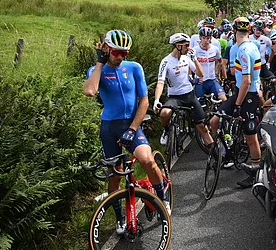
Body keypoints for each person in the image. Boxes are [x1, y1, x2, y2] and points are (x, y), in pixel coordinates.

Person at [83, 30, 170, 234]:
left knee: (147, 160)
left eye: (125, 53)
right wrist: (100, 63)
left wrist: (132, 129)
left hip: (132, 125)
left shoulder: (134, 68)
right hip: (110, 128)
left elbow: (144, 101)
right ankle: (120, 218)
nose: (121, 57)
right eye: (117, 52)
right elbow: (89, 91)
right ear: (106, 49)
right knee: (115, 176)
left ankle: (162, 200)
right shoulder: (97, 70)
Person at [209, 17, 263, 188]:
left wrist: (238, 105)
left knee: (250, 137)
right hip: (242, 92)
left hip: (248, 95)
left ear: (233, 31)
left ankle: (256, 173)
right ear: (249, 31)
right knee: (215, 120)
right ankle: (224, 152)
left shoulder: (243, 50)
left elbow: (247, 81)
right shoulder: (252, 46)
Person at [154, 33, 215, 150]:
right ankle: (166, 130)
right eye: (186, 45)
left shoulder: (186, 58)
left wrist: (195, 59)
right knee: (164, 113)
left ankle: (214, 153)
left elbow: (201, 74)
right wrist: (157, 100)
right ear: (178, 46)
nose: (189, 48)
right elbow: (160, 82)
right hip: (175, 97)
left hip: (189, 95)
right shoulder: (166, 61)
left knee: (203, 128)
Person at [194, 27, 228, 102]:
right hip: (200, 81)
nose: (206, 41)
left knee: (224, 99)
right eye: (204, 38)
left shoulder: (215, 49)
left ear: (211, 38)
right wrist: (191, 77)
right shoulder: (195, 50)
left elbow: (220, 61)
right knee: (201, 103)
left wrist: (216, 73)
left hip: (212, 80)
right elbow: (190, 65)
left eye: (208, 38)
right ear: (200, 38)